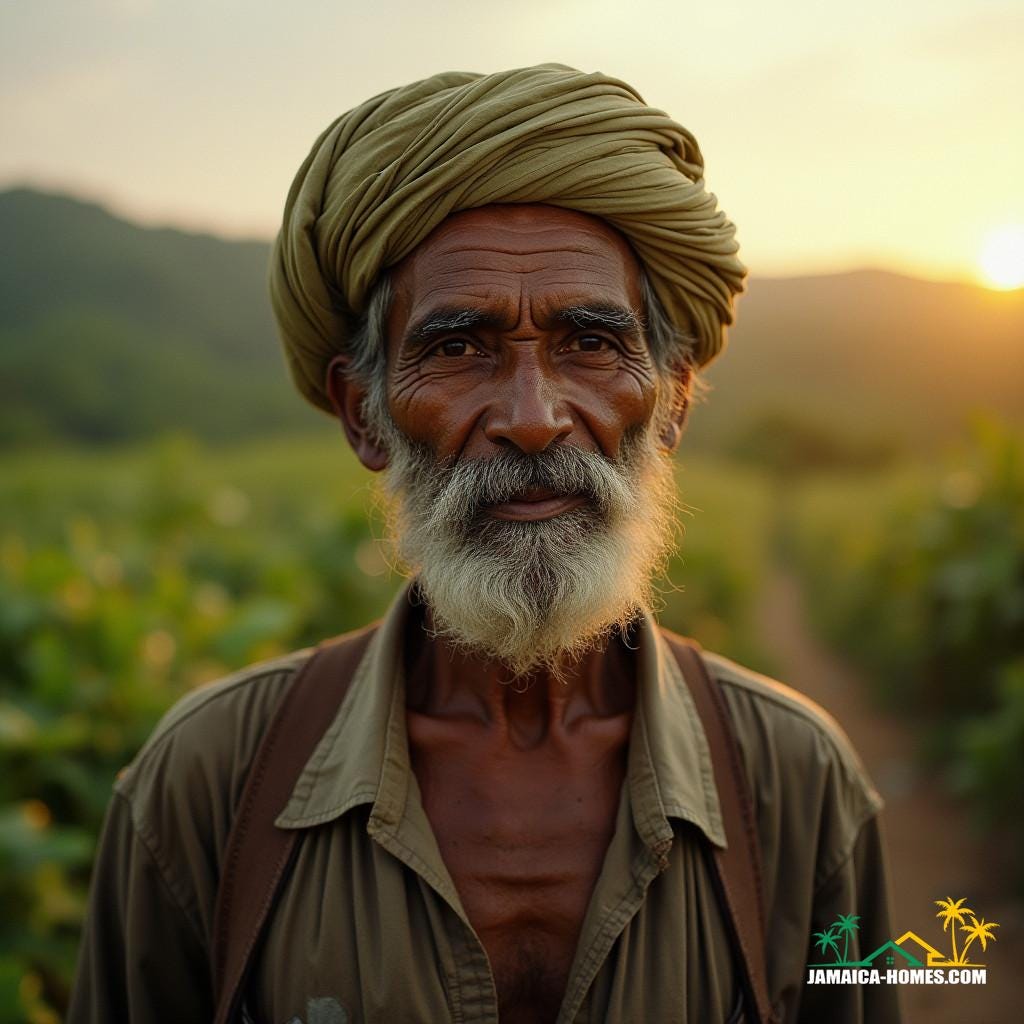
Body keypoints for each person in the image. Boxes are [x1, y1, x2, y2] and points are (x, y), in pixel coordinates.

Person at [69, 64, 899, 1024]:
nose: (535, 420)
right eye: (458, 348)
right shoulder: (206, 785)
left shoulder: (799, 783)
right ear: (364, 417)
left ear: (670, 400)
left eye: (590, 343)